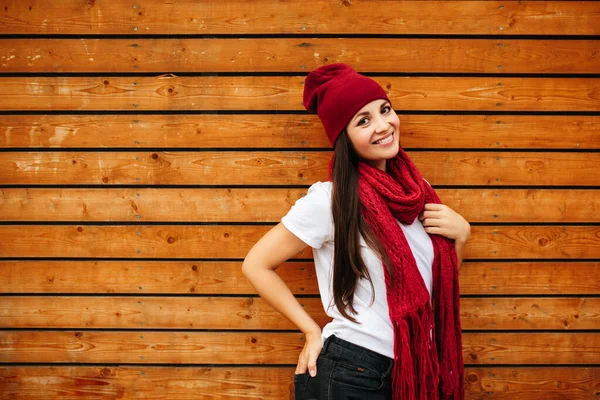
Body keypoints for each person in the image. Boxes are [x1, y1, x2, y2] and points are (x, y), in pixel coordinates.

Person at [242, 63, 470, 400]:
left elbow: (430, 286)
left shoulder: (416, 192)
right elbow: (256, 265)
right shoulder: (330, 200)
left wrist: (461, 238)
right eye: (363, 121)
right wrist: (310, 331)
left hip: (411, 369)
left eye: (384, 110)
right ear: (343, 138)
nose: (383, 125)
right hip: (351, 372)